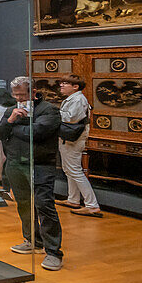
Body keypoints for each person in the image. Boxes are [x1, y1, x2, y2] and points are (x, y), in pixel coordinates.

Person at [0, 76, 64, 271]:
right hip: (16, 163)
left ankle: (53, 252)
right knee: (24, 204)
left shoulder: (49, 110)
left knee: (44, 205)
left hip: (40, 165)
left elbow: (35, 132)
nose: (18, 98)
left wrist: (14, 124)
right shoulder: (11, 110)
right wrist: (10, 120)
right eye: (15, 95)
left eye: (22, 94)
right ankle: (32, 240)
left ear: (33, 92)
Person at [56, 75, 103, 217]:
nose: (61, 86)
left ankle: (92, 205)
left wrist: (53, 114)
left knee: (75, 170)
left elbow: (70, 118)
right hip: (69, 138)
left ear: (75, 86)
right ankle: (73, 199)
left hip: (73, 139)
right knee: (69, 169)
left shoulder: (78, 99)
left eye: (65, 83)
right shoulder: (74, 99)